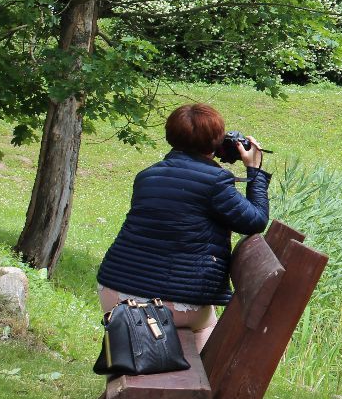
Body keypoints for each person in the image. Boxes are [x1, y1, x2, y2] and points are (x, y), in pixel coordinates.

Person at [95, 103, 269, 350]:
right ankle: (199, 385)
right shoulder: (216, 181)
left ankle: (160, 381)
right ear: (216, 142)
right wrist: (254, 171)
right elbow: (256, 220)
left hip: (114, 290)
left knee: (189, 323)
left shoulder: (147, 176)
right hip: (169, 303)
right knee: (207, 326)